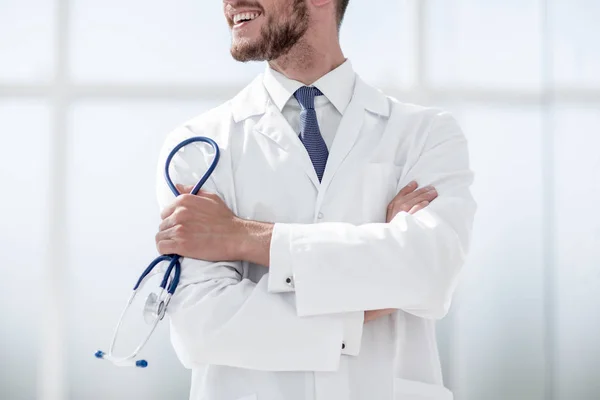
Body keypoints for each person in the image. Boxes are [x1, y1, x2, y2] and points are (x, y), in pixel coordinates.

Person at [154, 0, 476, 399]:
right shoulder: (197, 149)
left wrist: (242, 237)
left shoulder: (426, 135)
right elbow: (203, 327)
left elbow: (430, 271)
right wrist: (365, 304)